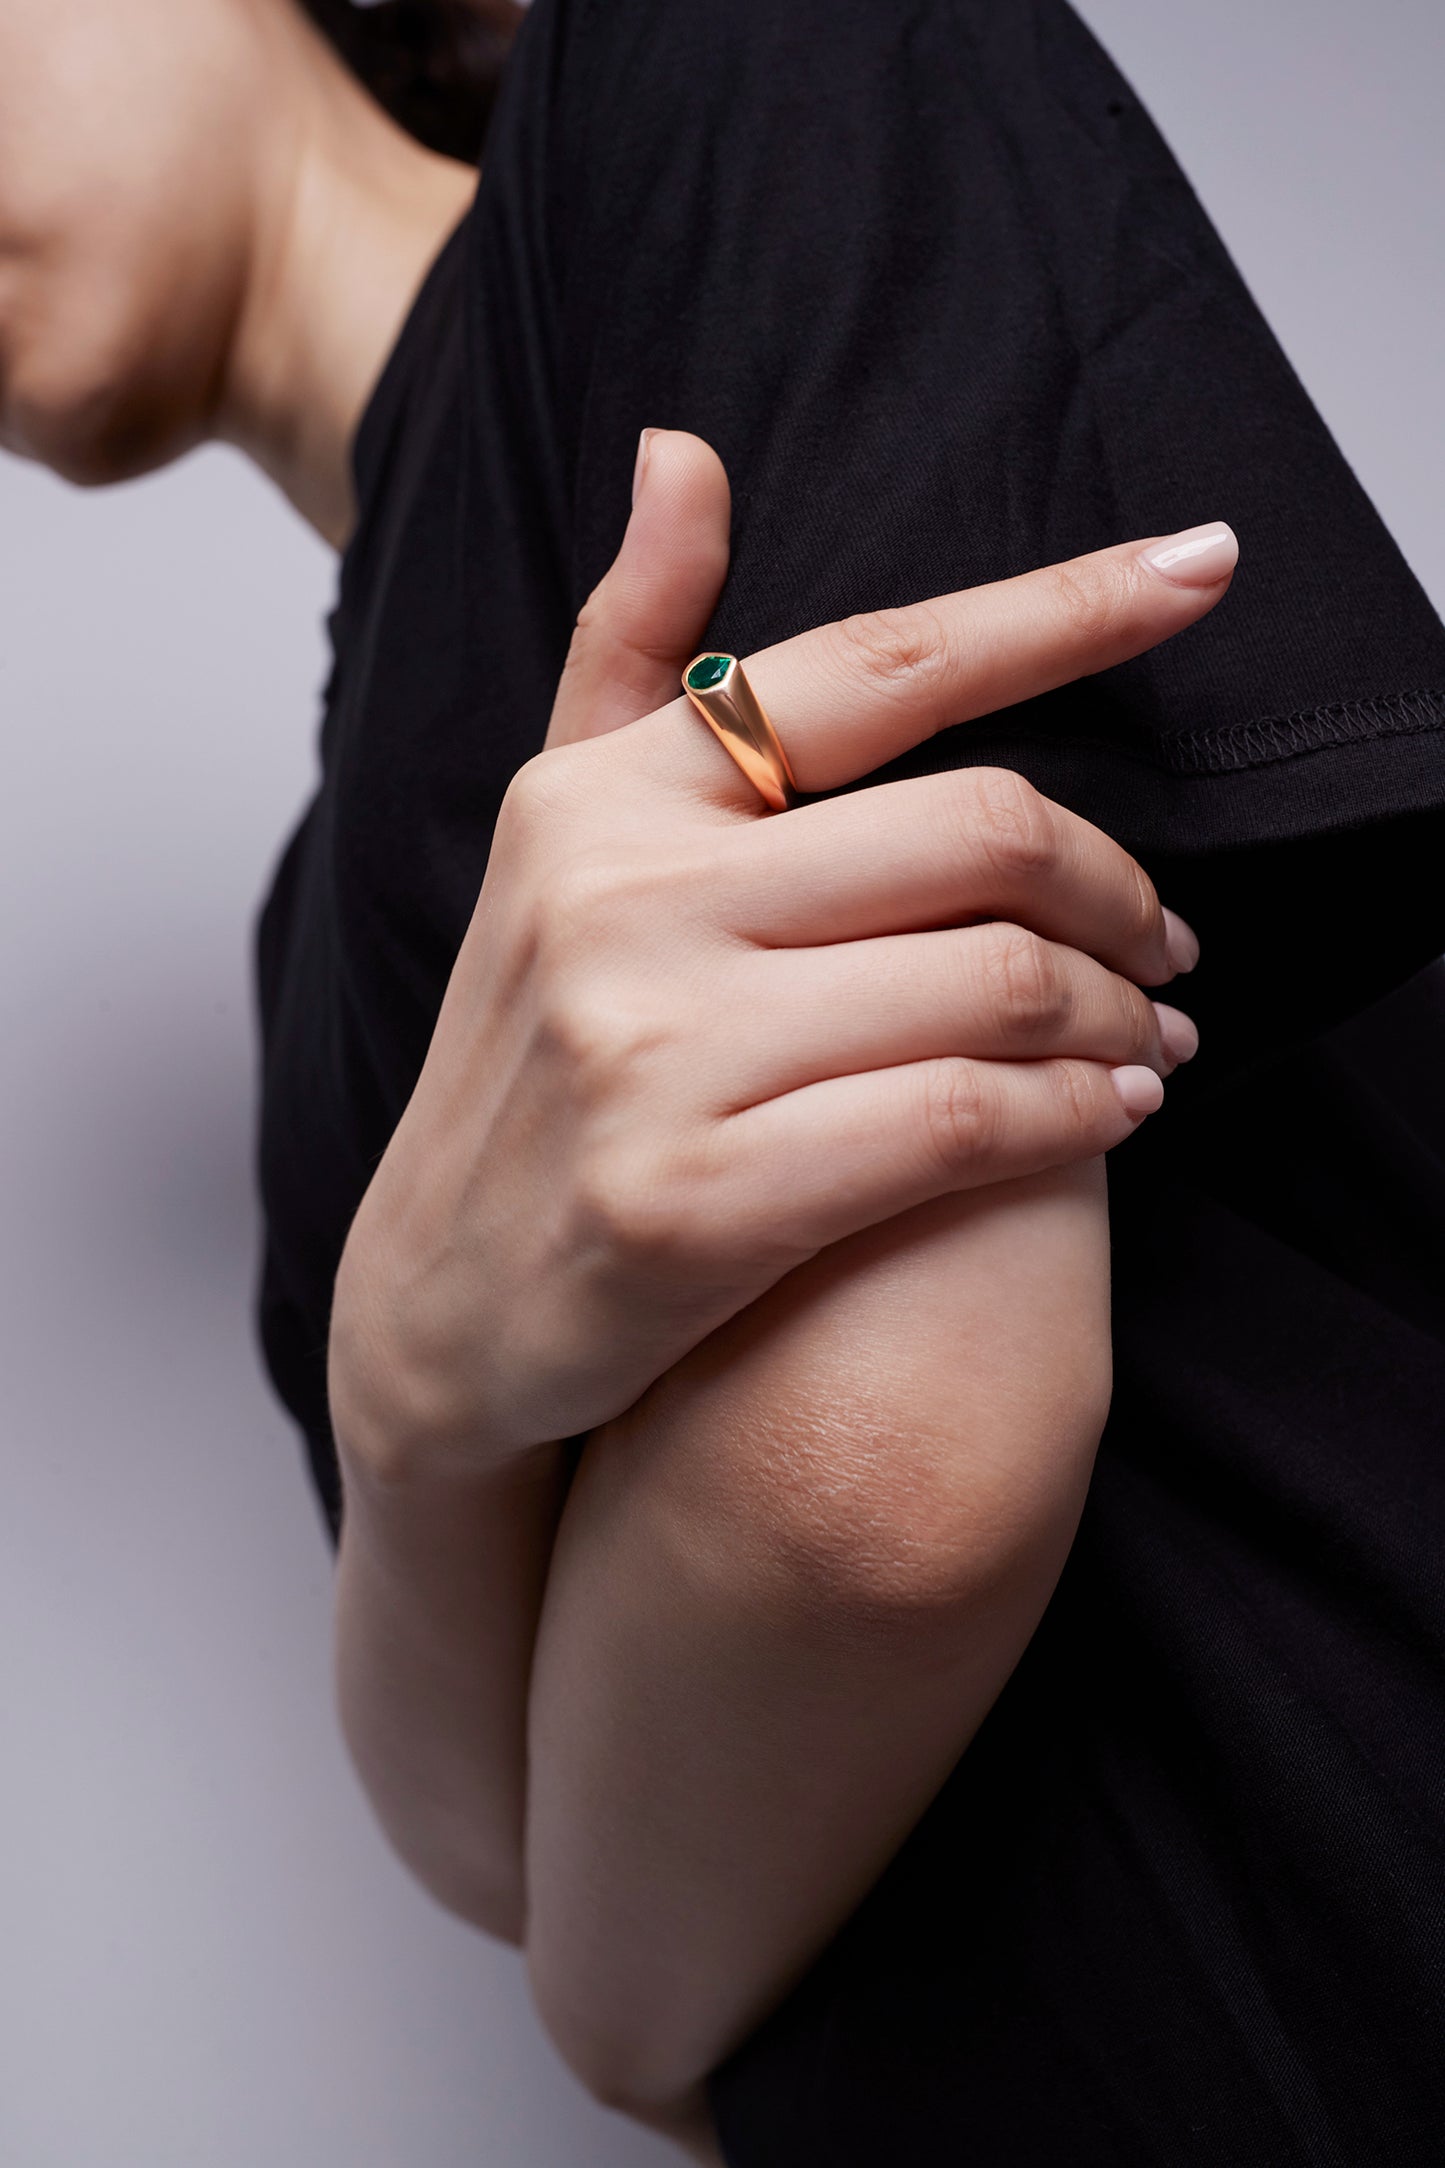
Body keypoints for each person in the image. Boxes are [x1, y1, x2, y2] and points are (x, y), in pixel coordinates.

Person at [3, 3, 1443, 2165]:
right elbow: (474, 1832)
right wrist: (410, 1410)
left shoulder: (720, 50)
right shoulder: (312, 942)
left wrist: (609, 1997)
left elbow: (879, 1476)